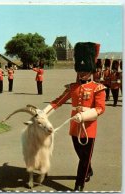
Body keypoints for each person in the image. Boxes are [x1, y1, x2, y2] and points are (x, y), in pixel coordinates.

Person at [42, 42, 105, 191]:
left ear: (91, 70)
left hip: (89, 127)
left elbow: (100, 108)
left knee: (84, 158)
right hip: (74, 127)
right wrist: (43, 113)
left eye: (85, 70)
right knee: (81, 155)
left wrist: (85, 115)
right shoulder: (73, 87)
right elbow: (58, 102)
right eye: (80, 70)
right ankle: (88, 170)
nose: (82, 73)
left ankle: (78, 185)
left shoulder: (98, 88)